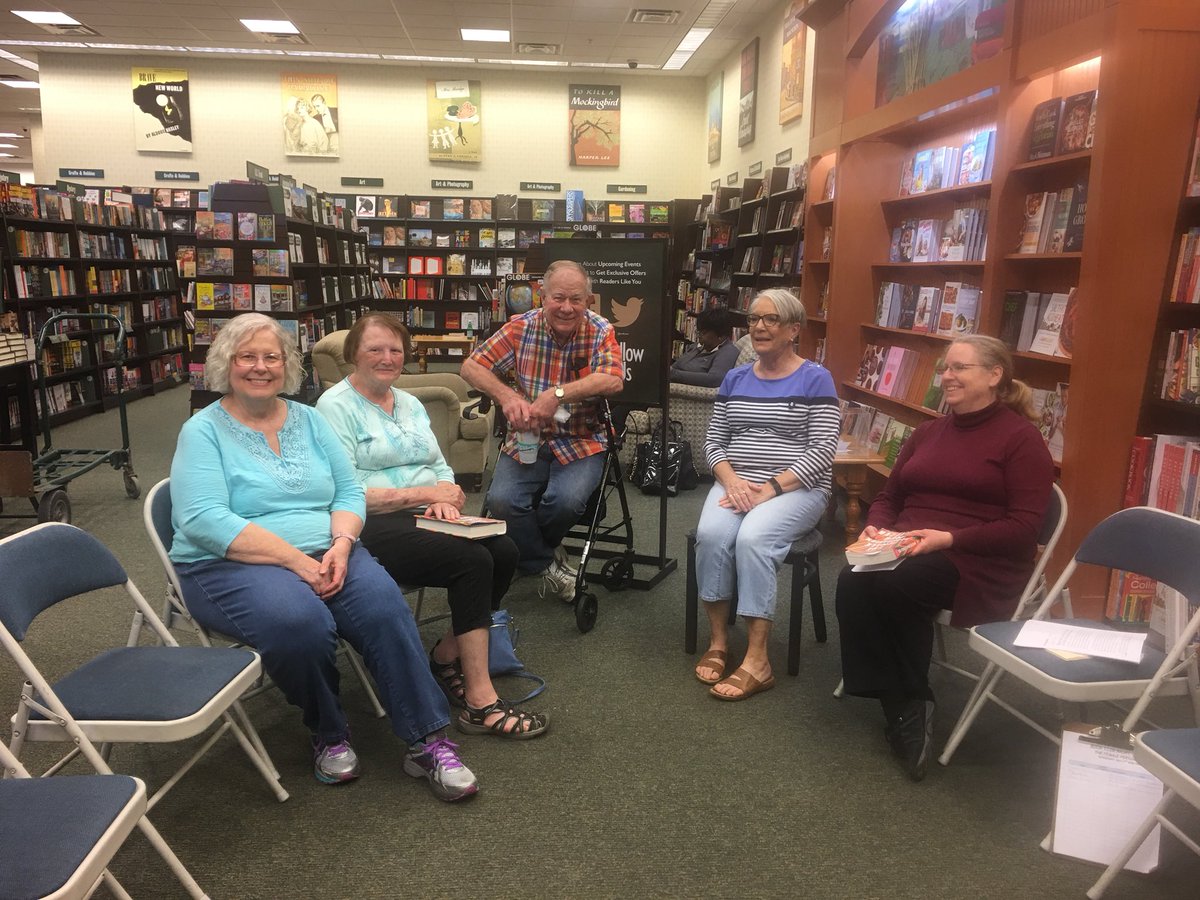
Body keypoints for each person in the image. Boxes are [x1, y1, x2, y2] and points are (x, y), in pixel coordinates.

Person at [168, 313, 479, 800]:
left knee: (384, 610)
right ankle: (329, 731)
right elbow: (203, 519)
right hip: (229, 562)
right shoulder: (202, 432)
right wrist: (295, 561)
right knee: (300, 624)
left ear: (286, 366)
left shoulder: (309, 420)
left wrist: (341, 545)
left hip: (329, 547)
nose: (260, 367)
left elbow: (349, 494)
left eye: (272, 357)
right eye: (247, 356)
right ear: (225, 364)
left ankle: (427, 741)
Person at [316, 314, 548, 739]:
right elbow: (344, 490)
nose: (387, 358)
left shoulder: (409, 403)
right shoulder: (334, 407)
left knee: (504, 550)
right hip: (366, 525)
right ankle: (480, 701)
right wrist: (426, 496)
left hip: (421, 515)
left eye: (395, 350)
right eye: (375, 349)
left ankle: (445, 655)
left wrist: (448, 495)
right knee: (471, 559)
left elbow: (439, 467)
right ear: (353, 354)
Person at [835, 334, 1054, 782]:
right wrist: (876, 526)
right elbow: (891, 494)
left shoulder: (1022, 441)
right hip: (907, 543)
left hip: (977, 557)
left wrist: (948, 539)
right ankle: (906, 705)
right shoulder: (929, 431)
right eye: (945, 368)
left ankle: (906, 705)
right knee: (852, 580)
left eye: (960, 368)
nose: (947, 377)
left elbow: (1022, 530)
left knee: (899, 584)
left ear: (995, 376)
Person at [694, 289, 839, 700]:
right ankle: (719, 641)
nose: (759, 327)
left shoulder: (816, 378)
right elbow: (714, 441)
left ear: (794, 329)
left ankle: (758, 660)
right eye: (755, 319)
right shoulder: (735, 378)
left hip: (797, 488)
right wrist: (733, 480)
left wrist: (771, 488)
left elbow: (824, 450)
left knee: (754, 538)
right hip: (738, 483)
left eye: (771, 319)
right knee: (711, 535)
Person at [461, 259, 624, 600]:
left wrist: (557, 394)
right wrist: (506, 396)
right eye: (558, 298)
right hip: (527, 437)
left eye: (576, 299)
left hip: (582, 438)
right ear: (542, 296)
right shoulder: (521, 327)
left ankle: (530, 550)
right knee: (501, 501)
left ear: (589, 300)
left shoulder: (600, 329)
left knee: (565, 502)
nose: (567, 307)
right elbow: (471, 366)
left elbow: (612, 379)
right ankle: (546, 561)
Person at [669, 307, 740, 388]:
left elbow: (715, 379)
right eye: (698, 331)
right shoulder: (700, 346)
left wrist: (673, 374)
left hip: (684, 392)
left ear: (721, 335)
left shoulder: (728, 352)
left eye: (704, 332)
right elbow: (677, 365)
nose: (699, 335)